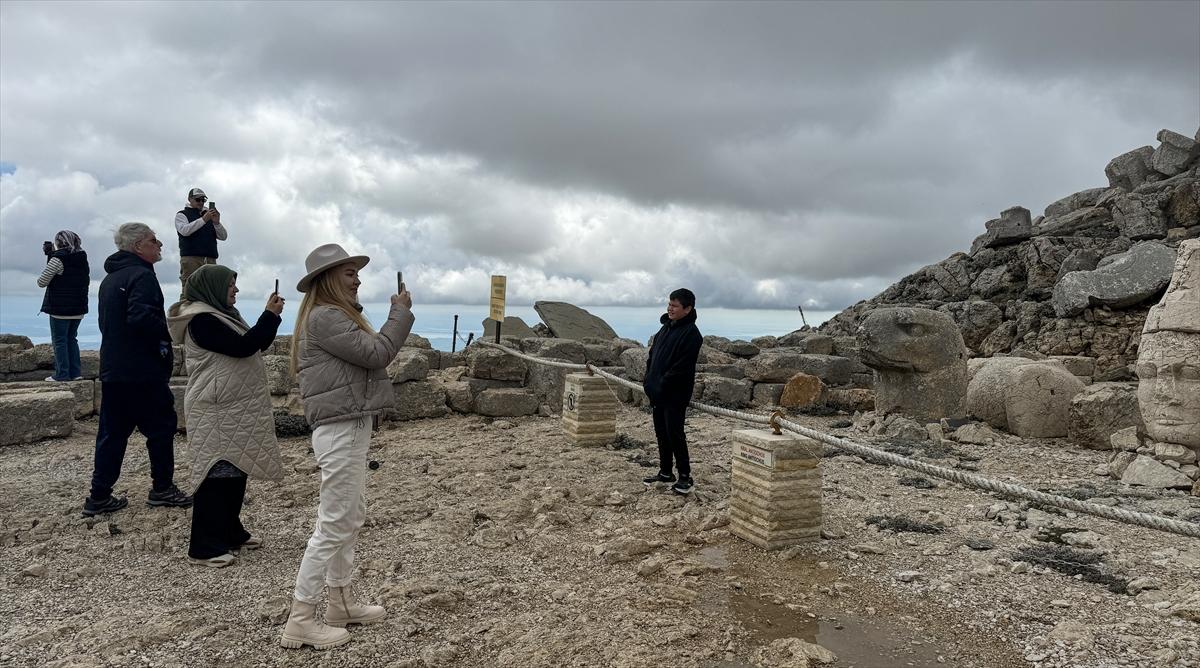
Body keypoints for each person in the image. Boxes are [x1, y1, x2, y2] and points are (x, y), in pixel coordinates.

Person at [280, 243, 413, 650]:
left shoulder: (330, 316)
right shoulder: (326, 318)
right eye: (348, 273)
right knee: (334, 521)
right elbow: (377, 354)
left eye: (356, 272)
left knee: (350, 515)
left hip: (348, 424)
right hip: (340, 428)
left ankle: (340, 603)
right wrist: (400, 314)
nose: (357, 279)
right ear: (328, 280)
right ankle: (300, 619)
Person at [167, 264, 285, 568]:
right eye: (231, 285)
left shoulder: (220, 316)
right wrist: (269, 315)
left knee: (235, 471)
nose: (235, 289)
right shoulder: (202, 320)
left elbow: (256, 343)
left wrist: (270, 318)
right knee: (215, 474)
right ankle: (203, 547)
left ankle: (230, 531)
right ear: (214, 288)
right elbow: (243, 347)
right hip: (216, 407)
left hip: (232, 406)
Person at [83, 223, 192, 517]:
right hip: (142, 370)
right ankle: (163, 488)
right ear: (138, 246)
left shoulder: (110, 279)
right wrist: (170, 331)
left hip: (114, 368)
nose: (160, 244)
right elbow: (141, 318)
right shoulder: (142, 276)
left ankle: (99, 495)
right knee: (161, 428)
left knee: (112, 433)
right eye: (153, 240)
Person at [642, 288, 703, 495]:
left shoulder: (692, 334)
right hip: (658, 392)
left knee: (675, 434)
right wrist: (648, 380)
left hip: (675, 394)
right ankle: (666, 472)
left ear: (688, 309)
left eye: (675, 305)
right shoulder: (666, 328)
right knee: (661, 433)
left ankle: (685, 476)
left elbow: (681, 368)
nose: (670, 308)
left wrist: (660, 385)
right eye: (669, 304)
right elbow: (653, 355)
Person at [37, 230, 90, 382]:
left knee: (60, 341)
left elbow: (42, 282)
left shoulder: (57, 259)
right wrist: (51, 255)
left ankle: (62, 375)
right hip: (79, 308)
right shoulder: (82, 258)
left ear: (59, 242)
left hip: (60, 309)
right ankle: (76, 373)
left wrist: (51, 256)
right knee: (72, 339)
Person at [175, 187, 228, 300]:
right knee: (189, 288)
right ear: (190, 199)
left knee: (210, 289)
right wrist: (204, 219)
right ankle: (185, 315)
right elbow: (185, 231)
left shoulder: (208, 215)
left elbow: (223, 236)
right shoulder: (182, 215)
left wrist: (216, 223)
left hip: (210, 259)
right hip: (191, 258)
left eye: (203, 199)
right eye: (197, 199)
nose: (201, 202)